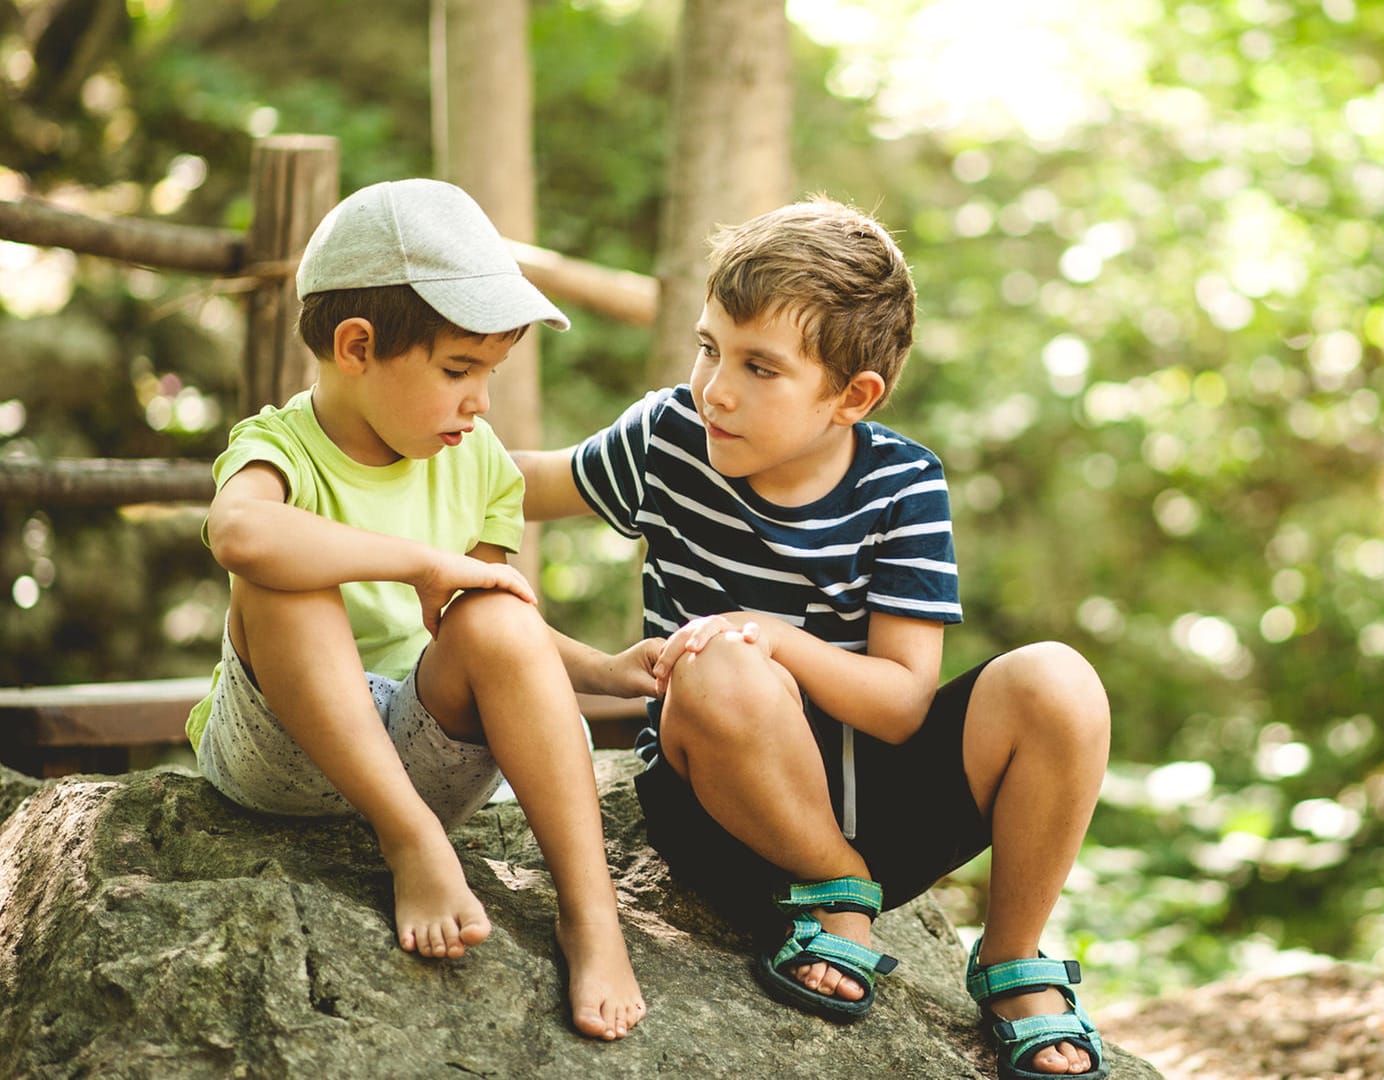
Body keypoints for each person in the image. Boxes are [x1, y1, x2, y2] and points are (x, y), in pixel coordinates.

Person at [516, 198, 1111, 1078]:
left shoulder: (902, 485)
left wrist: (778, 638)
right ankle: (832, 892)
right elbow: (519, 484)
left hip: (880, 813)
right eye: (710, 346)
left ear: (851, 396)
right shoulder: (669, 439)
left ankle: (1011, 956)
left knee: (1058, 680)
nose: (716, 386)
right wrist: (383, 442)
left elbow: (905, 705)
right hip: (725, 823)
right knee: (720, 665)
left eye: (761, 367)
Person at [185, 178, 646, 1041]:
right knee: (283, 570)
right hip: (282, 752)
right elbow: (240, 535)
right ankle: (410, 844)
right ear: (356, 346)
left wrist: (603, 671)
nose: (479, 401)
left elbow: (492, 632)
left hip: (424, 752)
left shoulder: (480, 461)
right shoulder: (278, 447)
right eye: (458, 370)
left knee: (493, 610)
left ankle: (591, 914)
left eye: (491, 374)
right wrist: (420, 563)